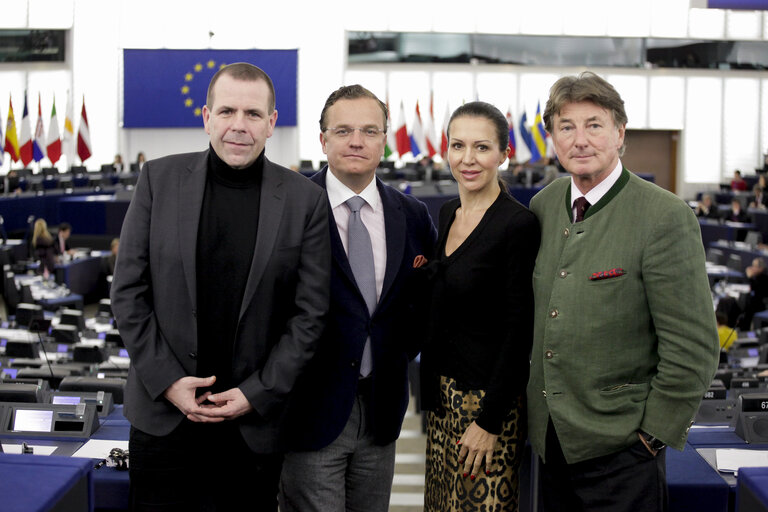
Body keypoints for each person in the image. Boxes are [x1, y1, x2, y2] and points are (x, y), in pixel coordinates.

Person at [110, 63, 331, 512]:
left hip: (251, 431)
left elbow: (309, 316)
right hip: (163, 422)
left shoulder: (304, 199)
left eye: (253, 114)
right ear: (207, 116)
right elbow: (128, 293)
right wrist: (168, 381)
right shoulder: (157, 180)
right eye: (227, 111)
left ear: (271, 123)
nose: (238, 126)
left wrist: (257, 393)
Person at [527, 71, 719, 512]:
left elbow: (694, 347)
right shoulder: (543, 205)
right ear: (552, 138)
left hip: (624, 452)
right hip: (551, 444)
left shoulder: (664, 216)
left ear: (619, 132)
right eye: (566, 127)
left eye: (594, 125)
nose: (580, 140)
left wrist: (651, 437)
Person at [279, 85, 437, 512]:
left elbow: (423, 303)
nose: (356, 141)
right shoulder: (288, 209)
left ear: (385, 139)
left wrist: (398, 354)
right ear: (323, 139)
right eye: (344, 129)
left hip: (383, 410)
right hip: (310, 409)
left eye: (370, 130)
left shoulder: (413, 214)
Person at [419, 101, 540, 511]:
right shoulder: (448, 211)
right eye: (458, 146)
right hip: (442, 400)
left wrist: (489, 421)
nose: (467, 159)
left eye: (482, 147)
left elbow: (518, 331)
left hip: (487, 407)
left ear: (504, 154)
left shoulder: (517, 225)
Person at [740, 257, 768, 330]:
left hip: (762, 304)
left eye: (755, 266)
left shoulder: (764, 278)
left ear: (761, 268)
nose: (752, 268)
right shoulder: (757, 276)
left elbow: (758, 292)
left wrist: (750, 277)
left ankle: (745, 330)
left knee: (748, 306)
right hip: (755, 301)